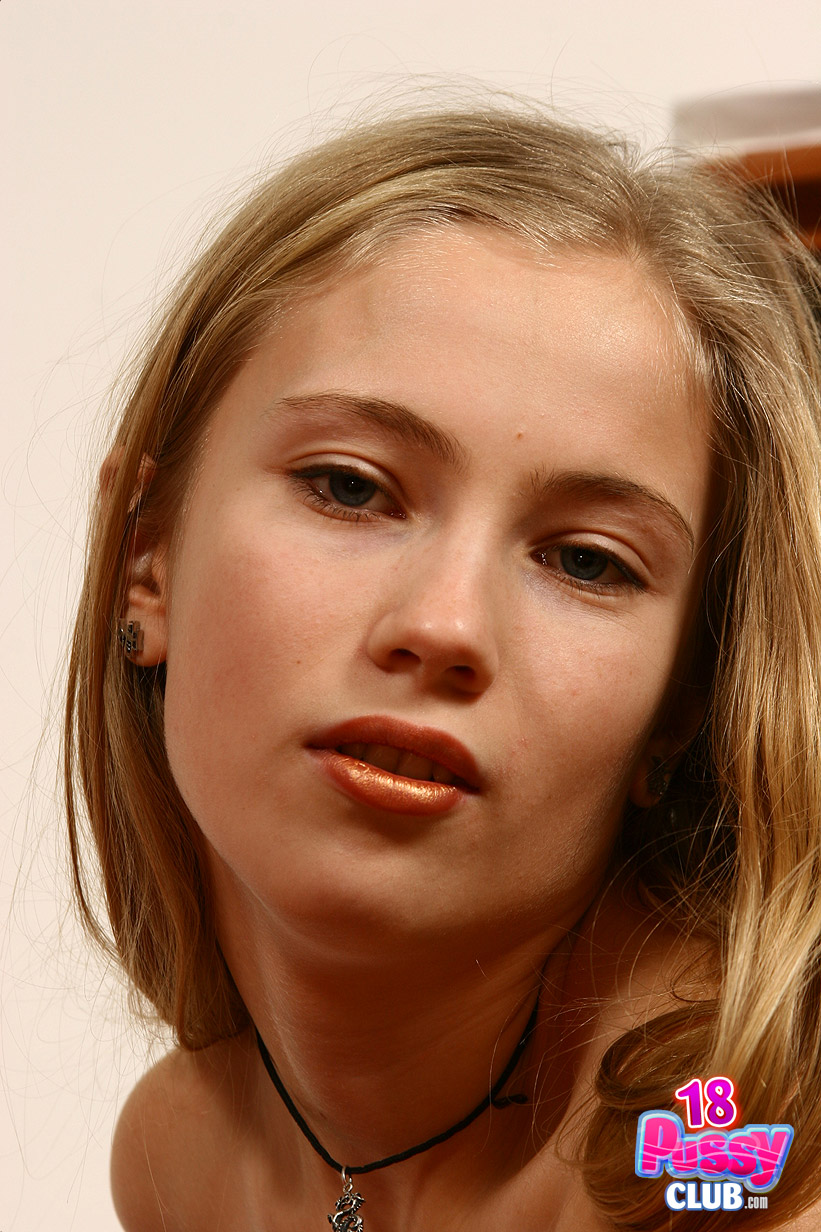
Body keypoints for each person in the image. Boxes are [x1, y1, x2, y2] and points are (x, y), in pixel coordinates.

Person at [64, 102, 821, 1230]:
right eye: (349, 488)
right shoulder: (179, 1160)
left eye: (585, 560)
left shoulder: (738, 1172)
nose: (445, 624)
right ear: (145, 558)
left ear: (682, 703)